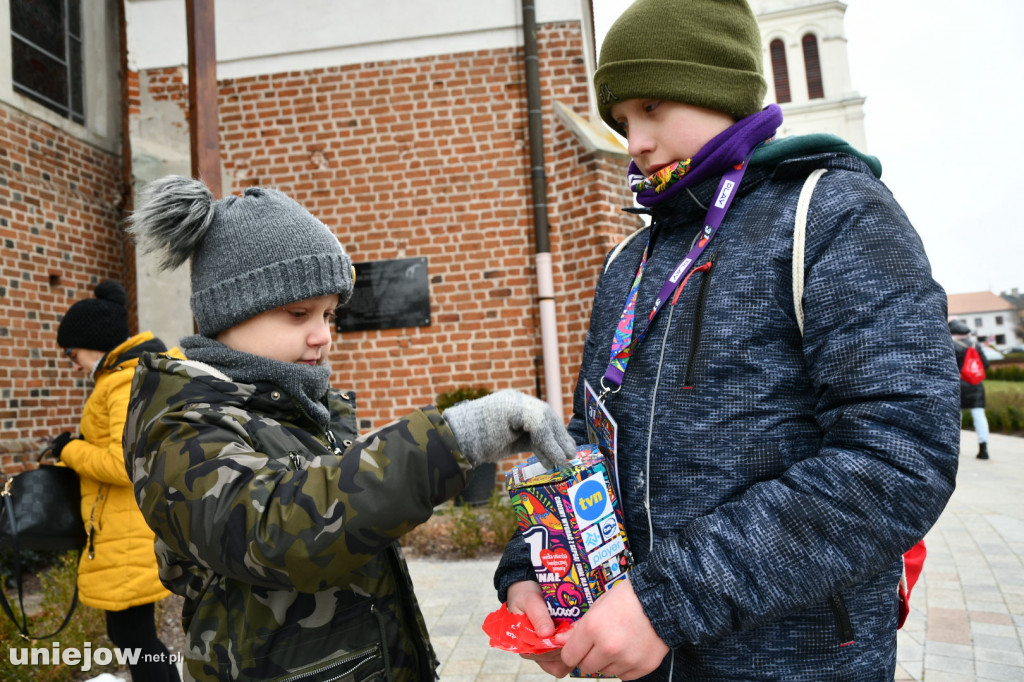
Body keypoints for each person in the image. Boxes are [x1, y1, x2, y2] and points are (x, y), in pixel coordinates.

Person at [495, 1, 961, 679]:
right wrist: (533, 565)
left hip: (799, 663)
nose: (635, 144)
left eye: (652, 108)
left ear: (721, 91)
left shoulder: (836, 214)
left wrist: (664, 604)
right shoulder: (630, 260)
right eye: (622, 120)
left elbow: (899, 458)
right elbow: (593, 436)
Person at [121, 175, 575, 682]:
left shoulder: (300, 411)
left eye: (329, 315)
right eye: (299, 314)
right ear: (229, 311)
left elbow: (346, 500)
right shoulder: (181, 427)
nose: (323, 336)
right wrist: (451, 441)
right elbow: (281, 528)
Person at [54, 280, 181, 682]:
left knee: (137, 639)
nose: (71, 362)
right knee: (132, 636)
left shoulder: (122, 383)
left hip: (128, 535)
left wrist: (69, 450)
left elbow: (124, 464)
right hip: (121, 530)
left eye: (71, 352)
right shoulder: (117, 379)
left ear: (93, 343)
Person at [950, 319, 990, 459]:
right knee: (979, 416)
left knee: (956, 418)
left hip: (958, 385)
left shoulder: (951, 345)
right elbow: (985, 364)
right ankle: (983, 448)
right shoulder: (976, 345)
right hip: (976, 384)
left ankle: (956, 449)